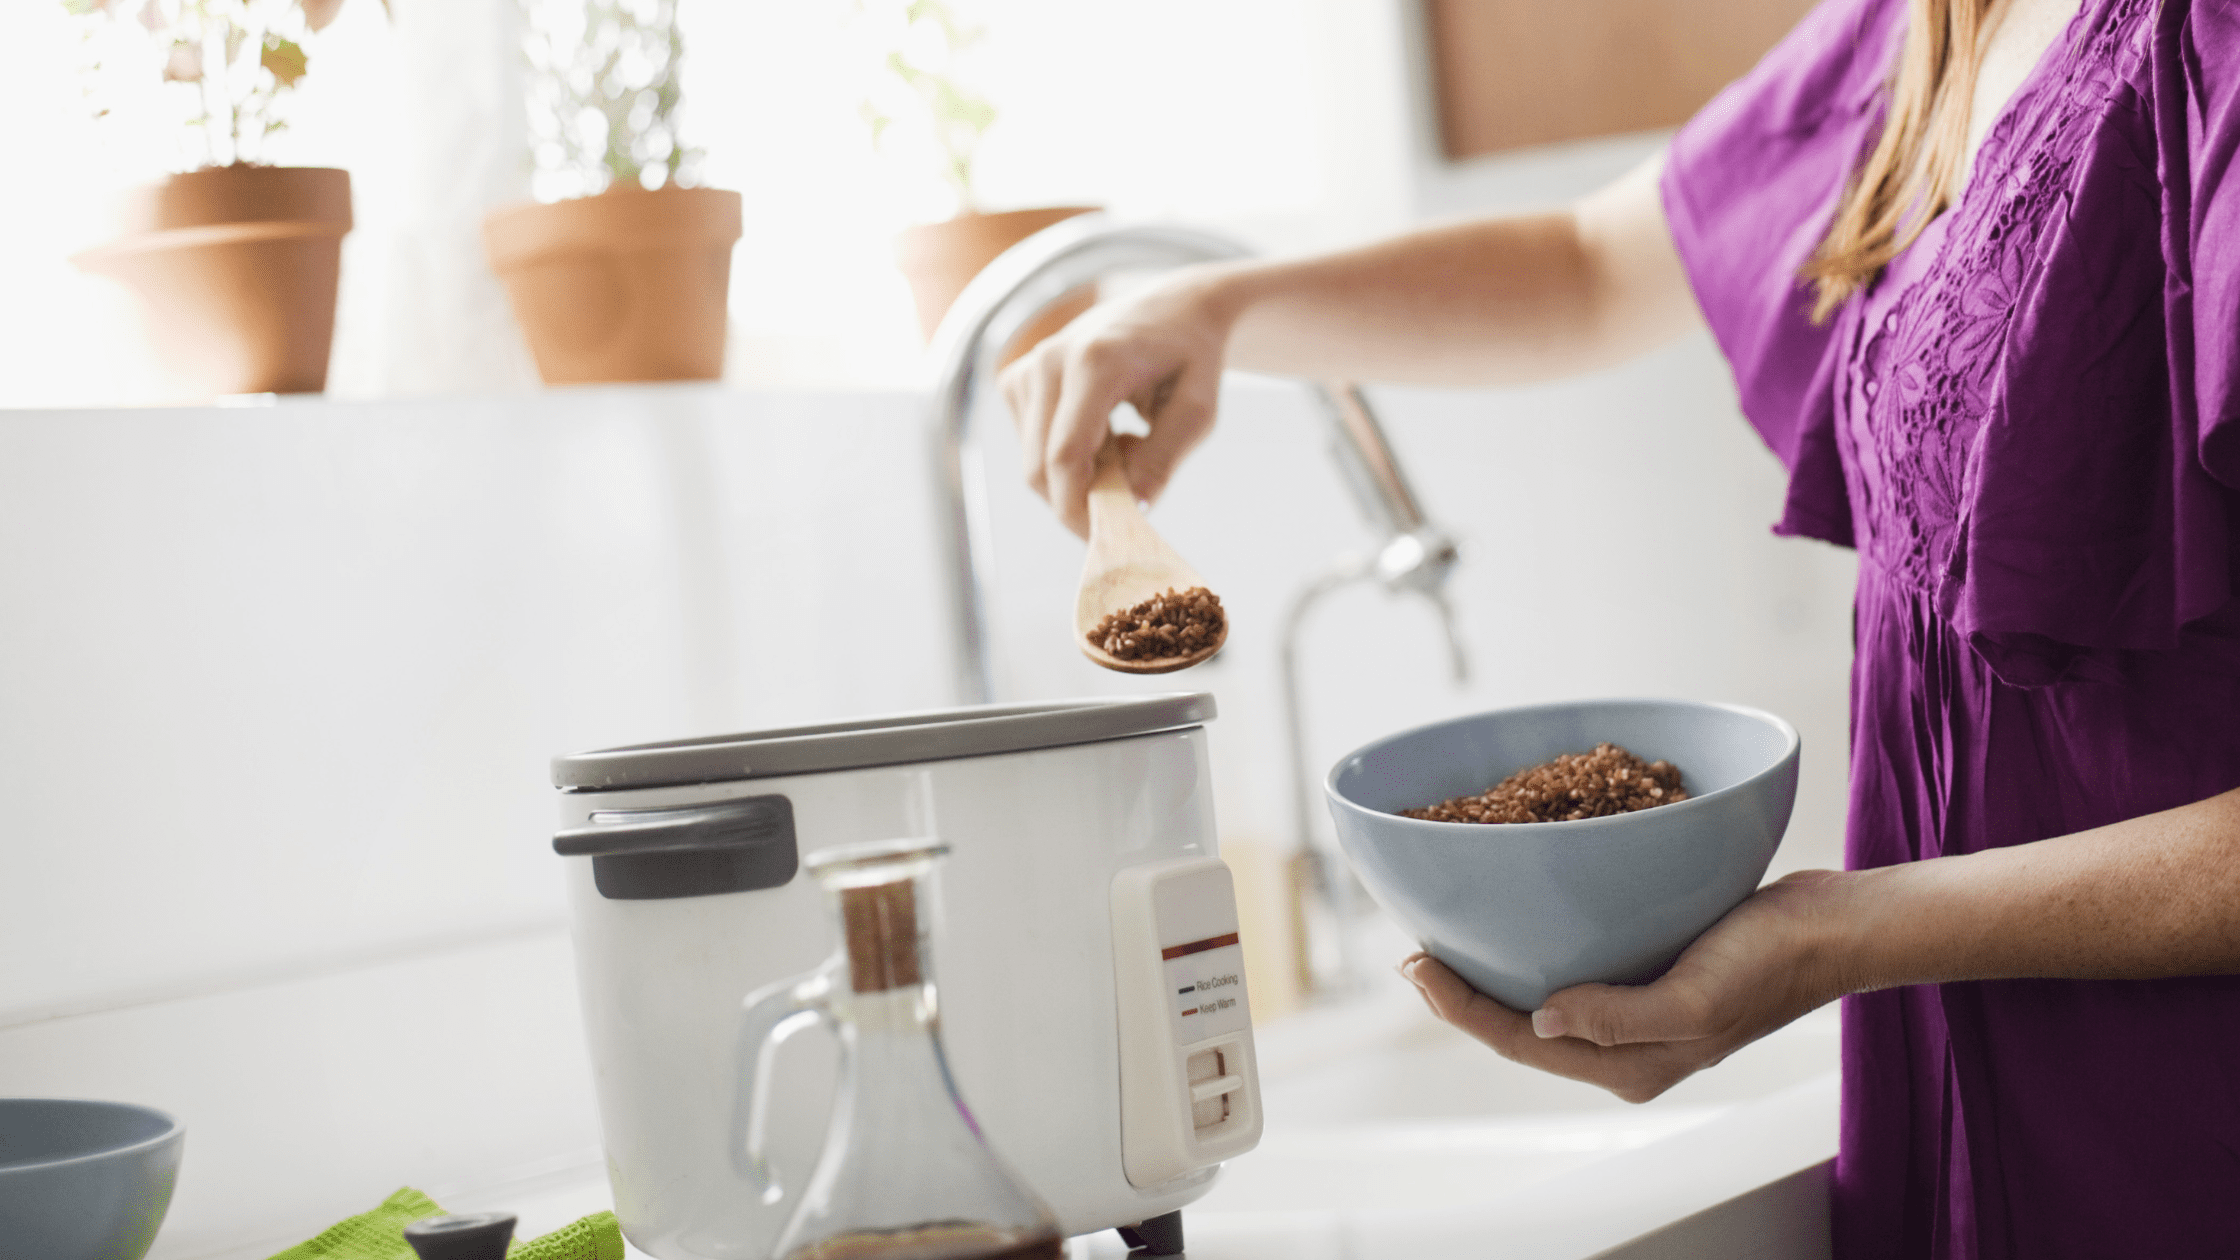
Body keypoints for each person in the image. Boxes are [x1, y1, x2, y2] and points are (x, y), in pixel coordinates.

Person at [999, 0, 2240, 1254]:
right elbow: (1594, 264)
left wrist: (1840, 938)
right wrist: (1216, 311)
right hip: (1952, 1115)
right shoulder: (1927, 25)